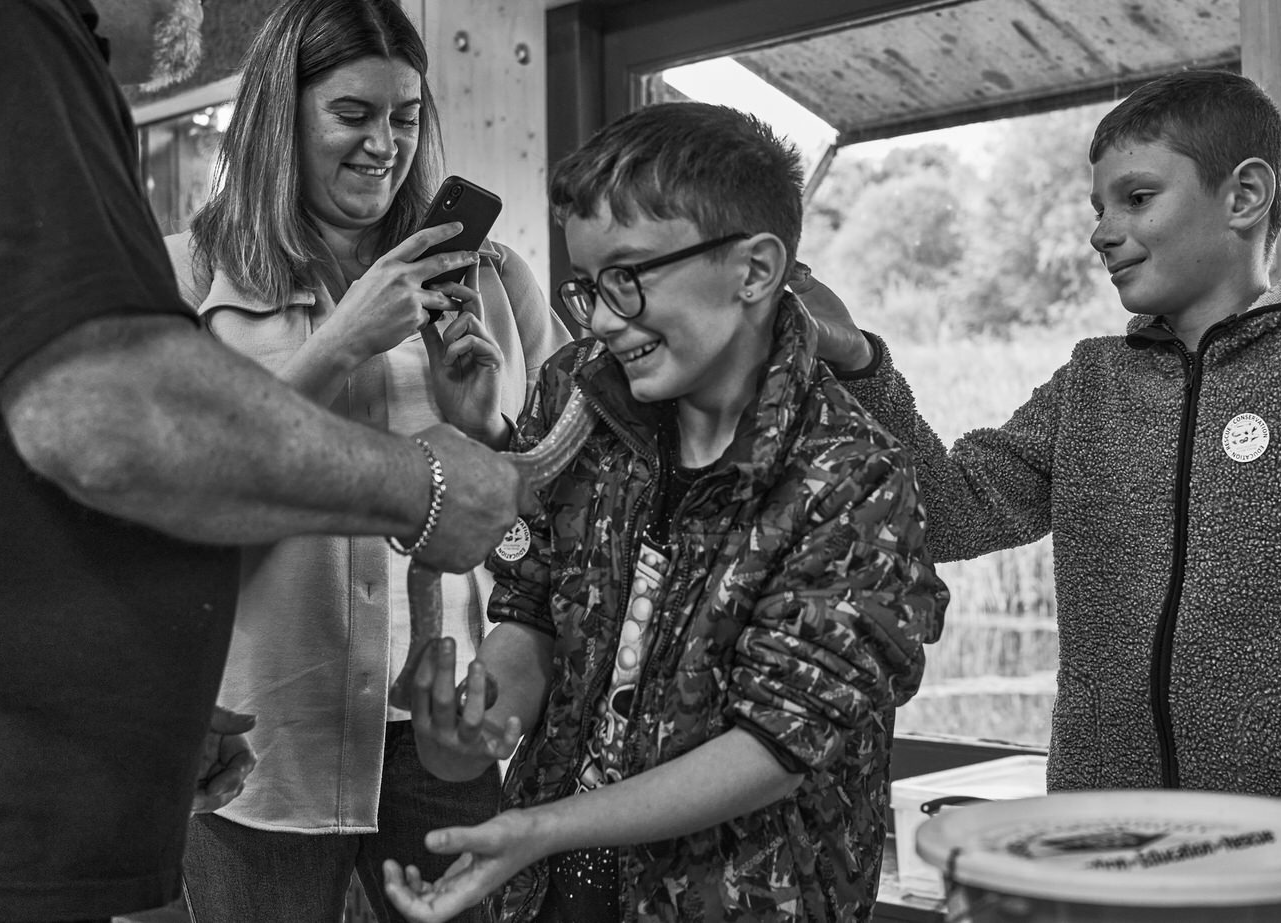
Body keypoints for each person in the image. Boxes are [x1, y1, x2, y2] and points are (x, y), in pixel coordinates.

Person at [0, 0, 524, 922]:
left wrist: (125, 700)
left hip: (68, 769)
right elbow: (111, 416)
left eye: (406, 116)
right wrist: (420, 482)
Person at [811, 69, 1281, 821]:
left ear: (1244, 197)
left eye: (1136, 197)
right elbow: (950, 513)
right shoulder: (1092, 384)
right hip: (1102, 838)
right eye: (1098, 208)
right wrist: (861, 367)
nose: (1100, 231)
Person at [379, 102, 949, 923]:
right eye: (588, 287)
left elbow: (776, 746)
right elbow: (534, 601)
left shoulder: (853, 476)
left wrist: (542, 827)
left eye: (629, 277)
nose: (602, 319)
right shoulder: (574, 392)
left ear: (754, 270)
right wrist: (476, 725)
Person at [162, 0, 571, 923]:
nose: (383, 146)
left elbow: (552, 503)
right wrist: (342, 338)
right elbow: (176, 477)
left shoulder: (490, 279)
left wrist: (488, 432)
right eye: (352, 113)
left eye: (404, 115)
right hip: (261, 733)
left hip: (439, 726)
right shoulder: (188, 273)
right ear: (280, 114)